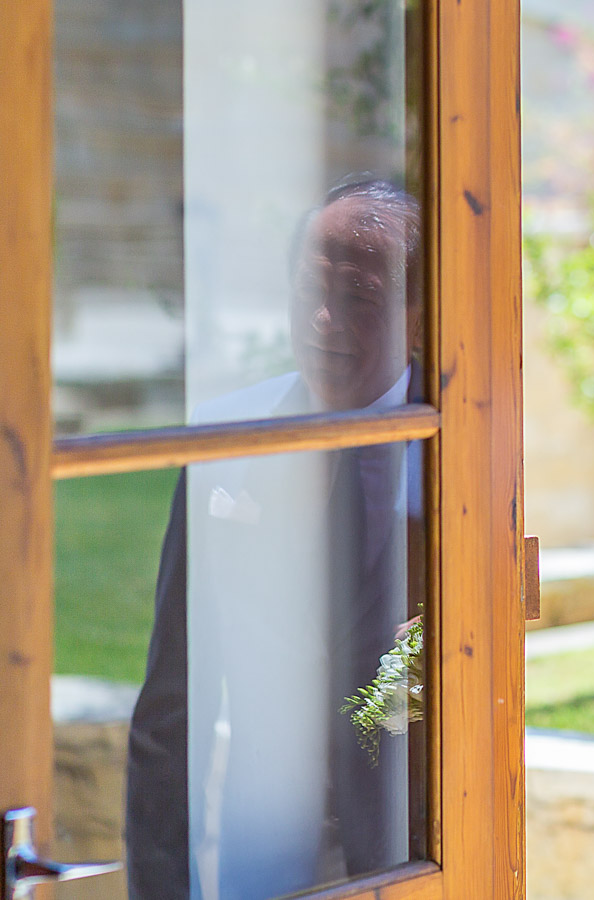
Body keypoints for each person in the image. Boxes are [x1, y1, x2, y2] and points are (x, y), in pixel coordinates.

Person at [124, 178, 423, 899]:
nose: (323, 320)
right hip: (261, 865)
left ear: (418, 311)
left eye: (357, 296)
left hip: (419, 861)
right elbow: (172, 706)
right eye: (308, 291)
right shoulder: (227, 443)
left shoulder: (465, 463)